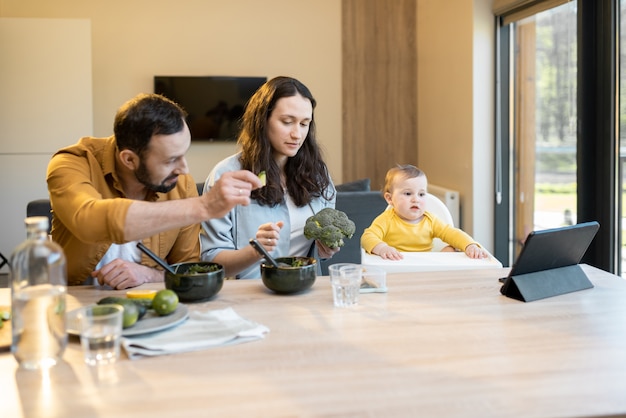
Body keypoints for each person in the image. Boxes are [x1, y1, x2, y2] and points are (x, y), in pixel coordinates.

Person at [47, 93, 262, 289]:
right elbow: (90, 218)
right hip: (71, 302)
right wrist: (204, 206)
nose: (184, 169)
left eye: (184, 154)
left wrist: (149, 275)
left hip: (152, 306)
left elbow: (188, 268)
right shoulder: (71, 163)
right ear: (129, 159)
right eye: (171, 160)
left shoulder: (180, 182)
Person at [200, 76, 338, 279]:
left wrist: (325, 249)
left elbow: (320, 247)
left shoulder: (318, 175)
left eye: (304, 124)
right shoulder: (226, 175)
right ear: (262, 120)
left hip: (305, 291)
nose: (297, 134)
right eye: (287, 122)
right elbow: (211, 261)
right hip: (251, 296)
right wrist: (254, 251)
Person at [361, 164, 488, 260]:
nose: (416, 199)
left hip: (425, 264)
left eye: (421, 194)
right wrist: (383, 248)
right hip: (398, 263)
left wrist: (470, 245)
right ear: (390, 198)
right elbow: (367, 237)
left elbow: (453, 233)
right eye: (408, 193)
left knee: (450, 249)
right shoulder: (386, 220)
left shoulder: (430, 220)